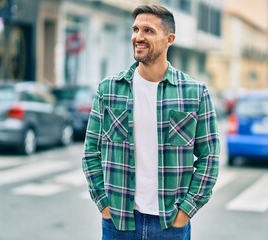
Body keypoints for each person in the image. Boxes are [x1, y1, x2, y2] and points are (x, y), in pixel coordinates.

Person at [82, 4, 220, 240]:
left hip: (170, 224)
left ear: (169, 39)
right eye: (135, 29)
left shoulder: (194, 93)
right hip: (119, 222)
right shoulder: (109, 89)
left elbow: (210, 158)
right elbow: (90, 153)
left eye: (148, 30)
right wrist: (104, 205)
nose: (138, 37)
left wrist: (185, 212)